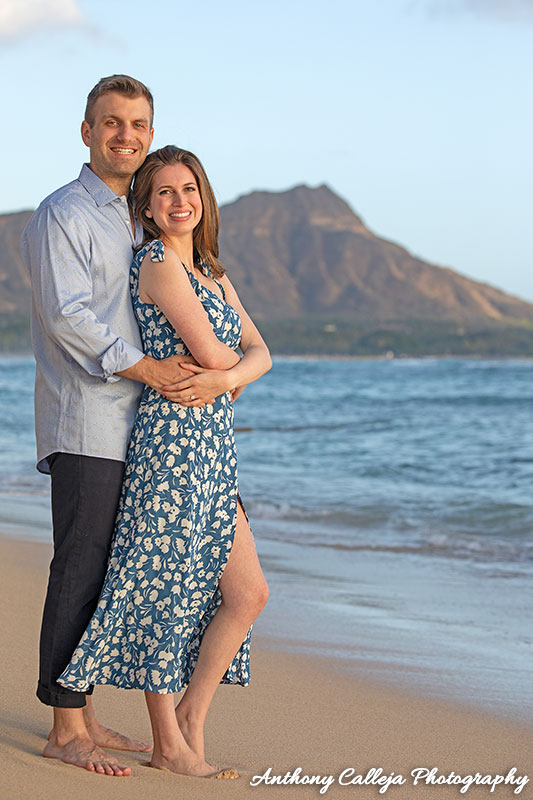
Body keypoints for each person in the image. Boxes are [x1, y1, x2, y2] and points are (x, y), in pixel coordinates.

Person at [57, 145, 272, 779]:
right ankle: (170, 747)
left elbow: (264, 355)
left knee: (248, 593)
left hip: (213, 451)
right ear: (147, 209)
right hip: (172, 446)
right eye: (165, 193)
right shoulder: (157, 265)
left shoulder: (211, 270)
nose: (180, 202)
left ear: (203, 200)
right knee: (167, 593)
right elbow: (215, 354)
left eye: (189, 191)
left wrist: (230, 376)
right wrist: (230, 373)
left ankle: (189, 720)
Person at [21, 76, 197, 777]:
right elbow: (69, 318)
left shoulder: (141, 216)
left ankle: (86, 712)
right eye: (112, 122)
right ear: (87, 130)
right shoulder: (63, 213)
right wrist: (149, 369)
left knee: (110, 573)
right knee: (80, 567)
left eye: (138, 124)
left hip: (141, 428)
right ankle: (65, 726)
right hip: (87, 419)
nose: (127, 135)